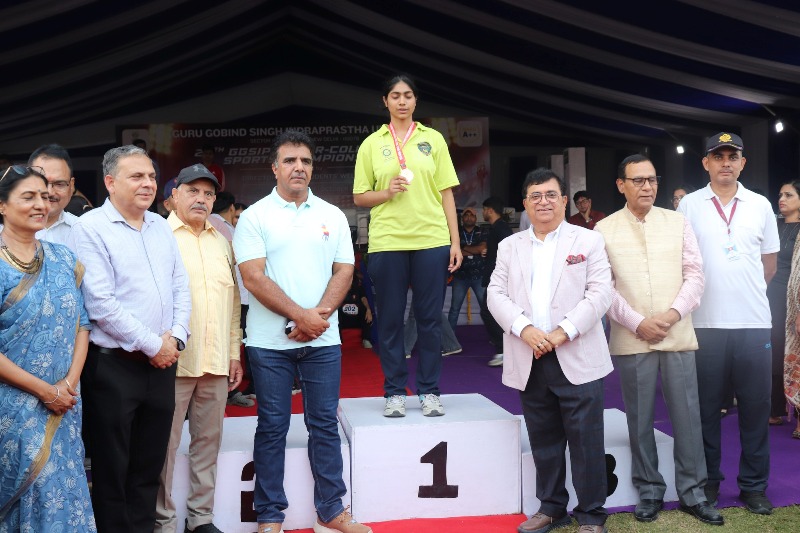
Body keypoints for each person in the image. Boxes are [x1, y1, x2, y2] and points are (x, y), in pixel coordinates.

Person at [234, 130, 369, 533]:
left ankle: (331, 511)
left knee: (324, 424)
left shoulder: (332, 214)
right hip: (268, 343)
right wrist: (300, 316)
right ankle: (269, 516)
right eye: (290, 160)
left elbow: (344, 270)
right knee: (272, 426)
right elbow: (253, 278)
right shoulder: (255, 216)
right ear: (274, 168)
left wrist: (316, 317)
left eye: (305, 161)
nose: (298, 167)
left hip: (322, 340)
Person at [68, 145, 191, 532]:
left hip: (163, 366)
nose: (148, 183)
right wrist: (156, 345)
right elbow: (100, 304)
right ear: (110, 182)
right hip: (114, 368)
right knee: (112, 470)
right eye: (137, 176)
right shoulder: (90, 228)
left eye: (151, 176)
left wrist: (177, 338)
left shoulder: (160, 225)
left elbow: (180, 286)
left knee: (148, 468)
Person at [596, 155, 722, 525]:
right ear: (621, 185)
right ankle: (649, 490)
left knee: (688, 416)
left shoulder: (678, 221)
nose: (647, 186)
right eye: (638, 180)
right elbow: (603, 287)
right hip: (631, 335)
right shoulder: (603, 229)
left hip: (676, 331)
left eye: (652, 179)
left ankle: (693, 493)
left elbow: (695, 275)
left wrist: (670, 315)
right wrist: (637, 322)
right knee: (639, 418)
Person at [488, 167, 612, 533]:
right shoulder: (510, 246)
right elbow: (495, 293)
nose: (544, 202)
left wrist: (562, 332)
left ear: (563, 200)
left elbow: (601, 293)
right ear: (525, 204)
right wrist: (524, 329)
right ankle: (552, 507)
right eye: (536, 196)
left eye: (551, 195)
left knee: (587, 441)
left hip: (577, 354)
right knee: (544, 440)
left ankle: (591, 513)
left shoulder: (589, 240)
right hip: (530, 356)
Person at [677, 132, 779, 515]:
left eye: (732, 156)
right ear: (705, 163)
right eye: (717, 156)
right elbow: (682, 261)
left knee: (755, 410)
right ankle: (708, 484)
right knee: (705, 411)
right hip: (704, 325)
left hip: (753, 324)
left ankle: (754, 486)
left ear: (742, 163)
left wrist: (742, 293)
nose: (725, 163)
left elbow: (768, 265)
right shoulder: (689, 205)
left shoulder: (760, 205)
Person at [353, 75, 461, 418]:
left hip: (432, 239)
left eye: (408, 95)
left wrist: (455, 241)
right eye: (395, 95)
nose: (402, 101)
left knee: (430, 319)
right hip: (388, 241)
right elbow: (359, 197)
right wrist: (386, 192)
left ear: (416, 101)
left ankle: (429, 391)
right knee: (389, 320)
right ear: (385, 101)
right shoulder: (372, 144)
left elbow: (446, 192)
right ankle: (395, 392)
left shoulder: (433, 139)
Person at [0, 165, 95, 531]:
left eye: (44, 196)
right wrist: (45, 391)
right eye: (28, 197)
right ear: (3, 206)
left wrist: (67, 385)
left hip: (65, 404)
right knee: (27, 493)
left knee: (63, 493)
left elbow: (82, 324)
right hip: (12, 409)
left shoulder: (63, 258)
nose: (41, 204)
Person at [155, 165, 242, 533]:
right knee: (163, 446)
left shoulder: (222, 241)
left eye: (208, 194)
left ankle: (201, 519)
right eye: (192, 191)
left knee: (208, 443)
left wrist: (234, 352)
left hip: (216, 361)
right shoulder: (157, 236)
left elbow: (233, 303)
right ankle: (163, 521)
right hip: (170, 361)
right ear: (174, 195)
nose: (201, 199)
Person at [767, 181, 800, 426]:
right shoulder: (773, 227)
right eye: (780, 195)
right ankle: (775, 407)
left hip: (793, 300)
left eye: (789, 195)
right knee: (773, 352)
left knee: (794, 353)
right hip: (769, 296)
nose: (782, 199)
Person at [481, 196, 513, 367]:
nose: (483, 213)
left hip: (499, 278)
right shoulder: (497, 228)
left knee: (489, 312)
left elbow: (510, 253)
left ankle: (504, 350)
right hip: (494, 276)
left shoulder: (502, 228)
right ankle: (504, 349)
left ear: (490, 210)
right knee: (490, 312)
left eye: (484, 209)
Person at [27, 144, 79, 246]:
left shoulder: (84, 230)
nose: (49, 192)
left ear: (71, 186)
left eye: (59, 184)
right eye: (43, 183)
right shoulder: (5, 231)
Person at [447, 207, 487, 331]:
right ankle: (450, 338)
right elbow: (452, 251)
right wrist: (475, 250)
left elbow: (482, 249)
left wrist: (462, 248)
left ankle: (493, 337)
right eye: (466, 215)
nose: (469, 217)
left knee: (486, 308)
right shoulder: (456, 232)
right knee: (454, 309)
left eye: (472, 215)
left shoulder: (482, 231)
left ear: (475, 218)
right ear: (462, 218)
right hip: (460, 276)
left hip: (479, 276)